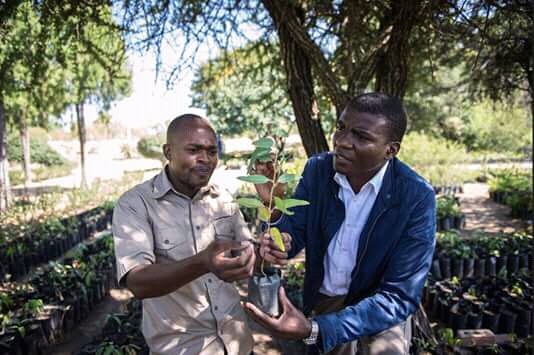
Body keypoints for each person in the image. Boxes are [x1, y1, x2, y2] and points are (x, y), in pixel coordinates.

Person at [245, 93, 436, 355]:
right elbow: (289, 240)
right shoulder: (318, 171)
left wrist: (315, 330)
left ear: (390, 150)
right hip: (326, 299)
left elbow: (400, 296)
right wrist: (274, 208)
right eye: (341, 128)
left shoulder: (415, 196)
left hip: (379, 308)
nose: (342, 142)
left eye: (362, 136)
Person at [112, 114, 255, 355]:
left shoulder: (224, 200)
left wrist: (262, 251)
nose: (205, 159)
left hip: (238, 344)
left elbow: (247, 255)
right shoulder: (135, 204)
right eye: (194, 150)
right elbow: (137, 282)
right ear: (168, 152)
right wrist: (202, 262)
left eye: (212, 151)